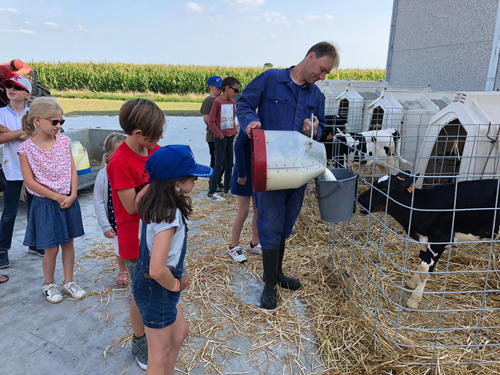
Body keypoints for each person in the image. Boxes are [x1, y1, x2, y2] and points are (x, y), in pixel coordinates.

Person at [236, 41, 339, 309]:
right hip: (269, 168)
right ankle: (269, 284)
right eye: (323, 69)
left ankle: (278, 273)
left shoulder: (315, 95)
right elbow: (244, 104)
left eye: (327, 73)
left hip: (298, 171)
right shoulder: (271, 79)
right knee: (269, 224)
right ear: (311, 57)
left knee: (286, 224)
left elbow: (321, 128)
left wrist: (313, 129)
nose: (322, 76)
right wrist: (250, 123)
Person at [134, 144, 212, 375]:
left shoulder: (152, 201)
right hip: (158, 288)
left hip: (150, 284)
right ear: (177, 184)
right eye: (192, 177)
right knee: (158, 356)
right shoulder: (169, 215)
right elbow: (158, 269)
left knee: (179, 333)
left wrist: (180, 274)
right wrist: (174, 284)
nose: (195, 181)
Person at [106, 98, 165, 370]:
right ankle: (139, 340)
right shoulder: (119, 162)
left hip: (157, 231)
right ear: (139, 134)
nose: (159, 140)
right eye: (155, 135)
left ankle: (159, 331)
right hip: (135, 240)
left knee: (159, 285)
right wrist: (156, 180)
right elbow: (130, 206)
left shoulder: (153, 150)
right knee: (140, 293)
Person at [17, 97, 86, 303]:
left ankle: (69, 281)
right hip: (46, 204)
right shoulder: (26, 149)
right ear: (37, 120)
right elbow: (30, 182)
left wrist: (73, 194)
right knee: (51, 248)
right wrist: (57, 196)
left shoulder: (64, 142)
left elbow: (72, 170)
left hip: (68, 201)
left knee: (69, 244)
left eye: (61, 122)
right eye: (54, 122)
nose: (58, 126)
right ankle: (49, 284)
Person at [0, 75, 45, 271]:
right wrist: (23, 132)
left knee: (35, 209)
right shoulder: (1, 113)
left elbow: (38, 138)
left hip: (34, 170)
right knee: (9, 212)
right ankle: (2, 250)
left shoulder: (33, 114)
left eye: (17, 87)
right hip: (11, 170)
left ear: (27, 95)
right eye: (9, 86)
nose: (11, 89)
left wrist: (11, 133)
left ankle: (35, 243)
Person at [93, 132, 130, 287]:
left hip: (134, 216)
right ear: (109, 156)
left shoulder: (132, 169)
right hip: (117, 219)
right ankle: (123, 270)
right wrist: (105, 226)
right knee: (119, 245)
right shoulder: (103, 175)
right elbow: (99, 201)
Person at [228, 130, 261, 263]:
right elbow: (238, 146)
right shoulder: (249, 126)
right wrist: (242, 173)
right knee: (243, 212)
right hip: (243, 177)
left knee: (258, 210)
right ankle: (233, 246)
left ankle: (255, 244)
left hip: (256, 173)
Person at [207, 77, 240, 201]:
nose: (236, 93)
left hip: (230, 136)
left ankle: (228, 188)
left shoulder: (232, 103)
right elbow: (211, 121)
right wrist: (218, 133)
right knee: (219, 165)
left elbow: (231, 118)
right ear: (226, 88)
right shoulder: (218, 102)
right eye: (235, 90)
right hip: (220, 138)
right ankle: (211, 192)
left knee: (229, 164)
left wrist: (234, 129)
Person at [200, 75, 224, 192]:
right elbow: (206, 119)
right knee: (216, 160)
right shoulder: (208, 101)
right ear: (211, 87)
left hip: (223, 135)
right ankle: (213, 183)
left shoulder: (221, 101)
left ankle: (218, 180)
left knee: (223, 160)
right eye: (218, 88)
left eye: (222, 88)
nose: (220, 91)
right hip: (213, 136)